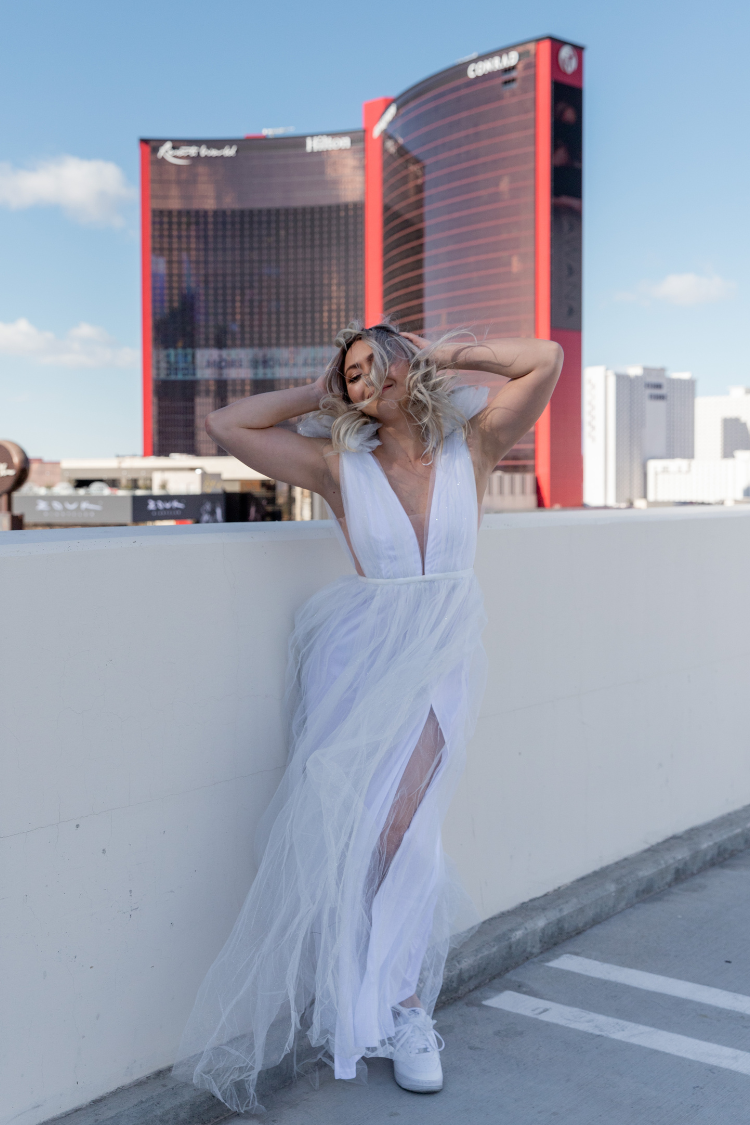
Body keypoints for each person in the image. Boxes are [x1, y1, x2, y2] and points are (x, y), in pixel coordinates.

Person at [173, 322, 562, 1112]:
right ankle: (378, 1003)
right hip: (361, 656)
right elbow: (226, 426)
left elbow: (544, 360)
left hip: (443, 652)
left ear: (403, 365)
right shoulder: (335, 463)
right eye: (346, 376)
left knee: (404, 829)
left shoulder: (475, 444)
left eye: (366, 367)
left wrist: (445, 355)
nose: (357, 384)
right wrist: (319, 396)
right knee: (364, 833)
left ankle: (406, 1007)